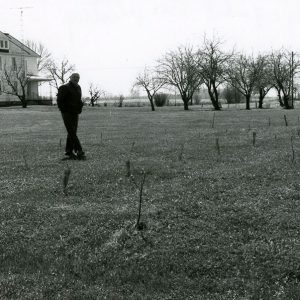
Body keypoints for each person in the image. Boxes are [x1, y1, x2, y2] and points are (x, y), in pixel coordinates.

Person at [57, 73, 86, 160]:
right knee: (71, 132)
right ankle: (79, 150)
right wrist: (64, 110)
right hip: (67, 113)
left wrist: (80, 108)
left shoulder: (78, 87)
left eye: (78, 77)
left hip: (75, 113)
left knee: (72, 132)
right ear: (70, 78)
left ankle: (69, 151)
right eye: (74, 77)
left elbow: (78, 100)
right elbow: (59, 101)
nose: (76, 78)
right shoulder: (64, 87)